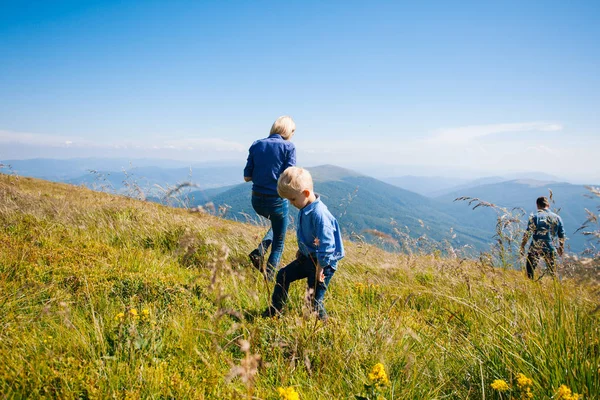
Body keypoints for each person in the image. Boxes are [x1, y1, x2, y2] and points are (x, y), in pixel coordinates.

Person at [263, 167, 344, 320]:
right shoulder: (306, 206)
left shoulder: (319, 214)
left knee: (313, 300)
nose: (291, 203)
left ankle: (326, 328)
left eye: (292, 199)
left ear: (306, 193)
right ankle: (275, 311)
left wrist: (321, 267)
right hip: (308, 258)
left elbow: (327, 245)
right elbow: (309, 236)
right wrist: (302, 251)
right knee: (283, 275)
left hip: (323, 264)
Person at [244, 116, 296, 280]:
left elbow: (247, 177)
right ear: (288, 131)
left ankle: (259, 252)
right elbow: (290, 176)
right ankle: (270, 279)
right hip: (276, 201)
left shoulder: (256, 145)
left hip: (256, 200)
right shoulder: (288, 147)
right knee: (279, 243)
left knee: (277, 225)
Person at [520, 196, 566, 279]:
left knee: (530, 273)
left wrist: (522, 246)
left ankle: (531, 288)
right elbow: (561, 235)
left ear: (537, 205)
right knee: (553, 272)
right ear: (548, 205)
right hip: (550, 247)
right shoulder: (557, 218)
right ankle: (555, 288)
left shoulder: (535, 217)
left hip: (535, 248)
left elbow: (528, 233)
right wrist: (561, 248)